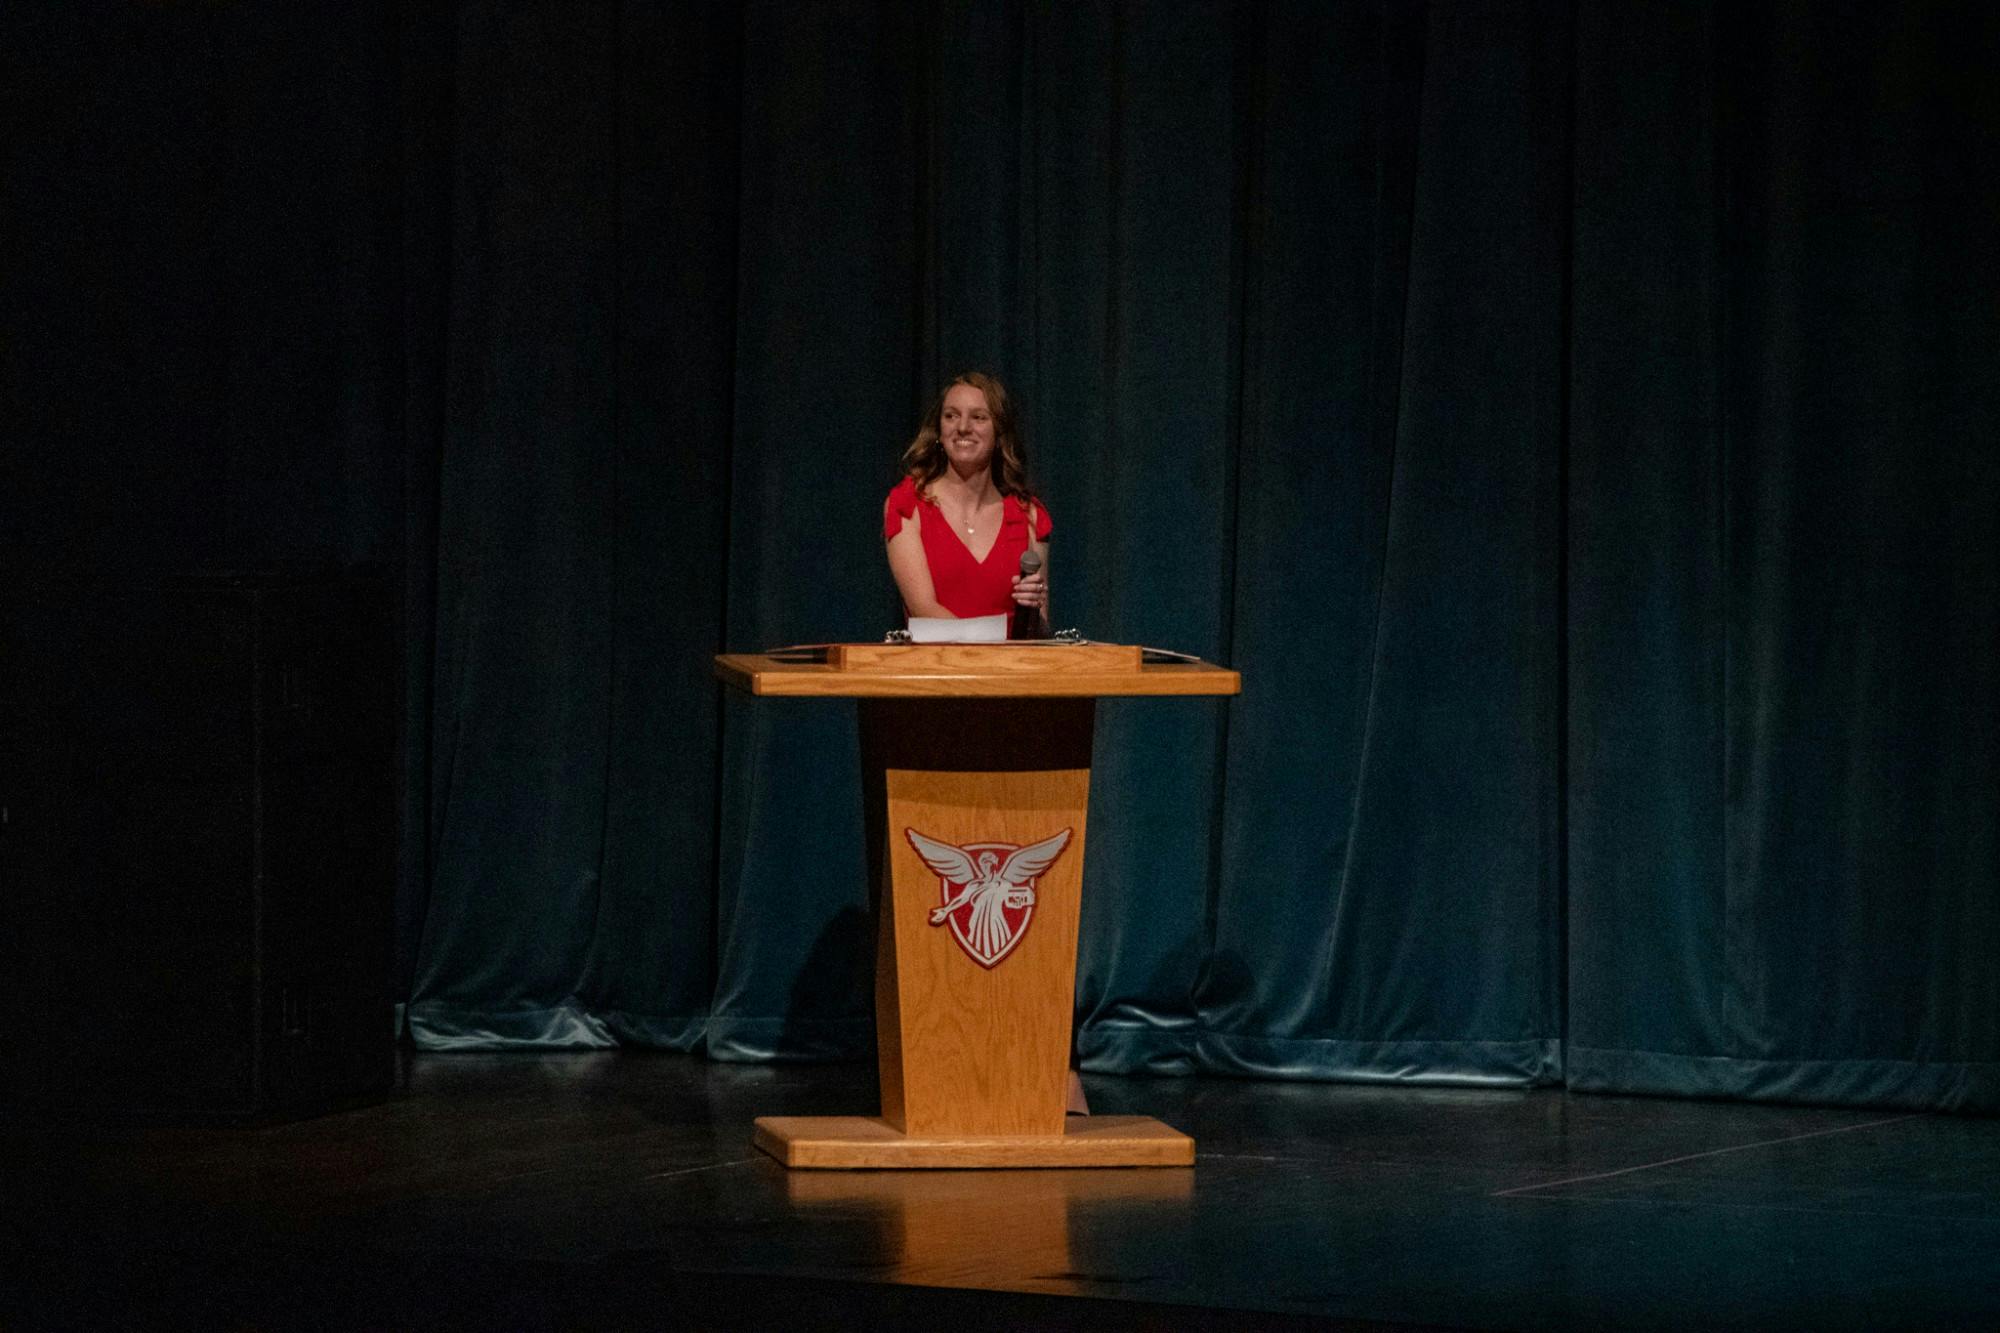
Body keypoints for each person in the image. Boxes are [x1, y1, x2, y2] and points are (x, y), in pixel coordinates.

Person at [883, 372, 1051, 637]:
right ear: (938, 430)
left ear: (999, 432)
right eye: (951, 415)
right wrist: (991, 658)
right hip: (936, 672)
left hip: (1012, 675)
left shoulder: (1029, 516)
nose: (962, 427)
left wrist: (1034, 613)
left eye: (978, 417)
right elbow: (923, 609)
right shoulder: (907, 505)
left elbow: (1040, 633)